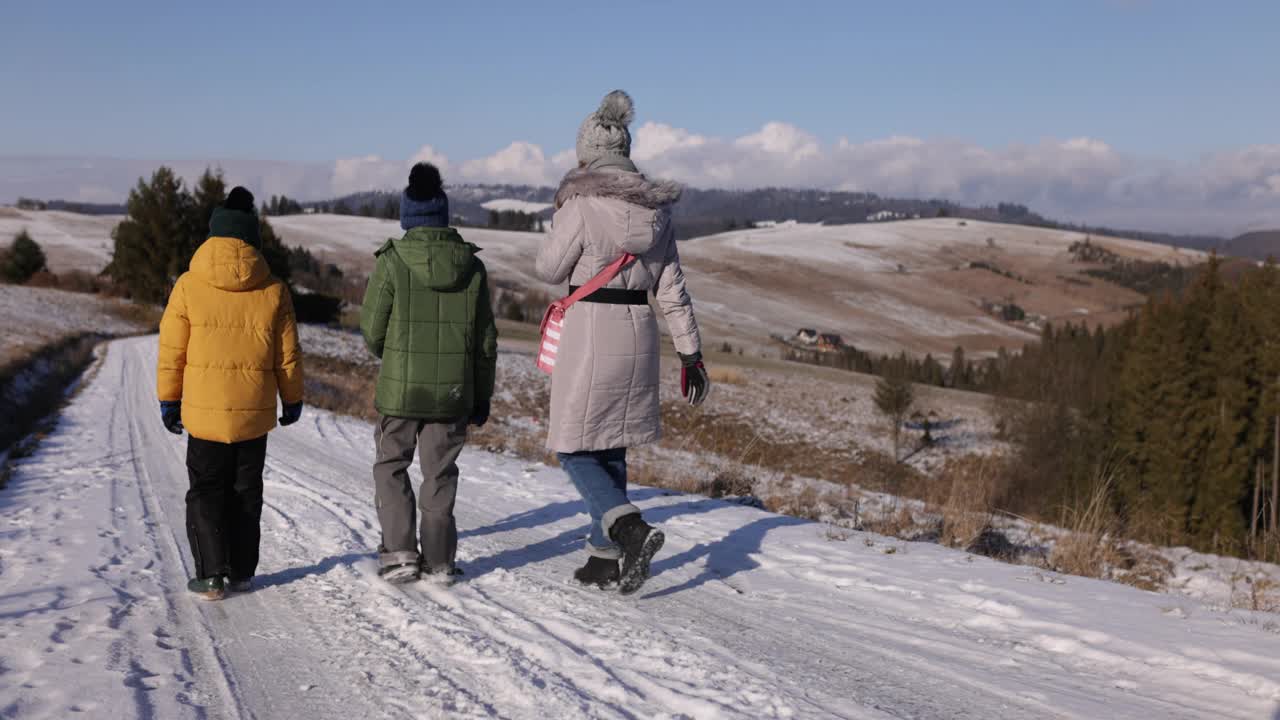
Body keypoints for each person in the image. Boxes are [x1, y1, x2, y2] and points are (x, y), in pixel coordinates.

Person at [536, 90, 711, 595]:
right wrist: (690, 354)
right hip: (639, 330)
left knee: (571, 445)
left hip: (590, 329)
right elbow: (673, 292)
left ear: (585, 155)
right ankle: (604, 557)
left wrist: (561, 223)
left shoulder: (584, 205)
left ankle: (629, 529)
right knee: (609, 442)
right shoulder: (657, 214)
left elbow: (549, 269)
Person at [157, 186, 304, 601]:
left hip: (203, 415)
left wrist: (169, 399)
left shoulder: (188, 284)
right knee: (245, 491)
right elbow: (287, 353)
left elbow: (172, 349)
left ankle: (210, 575)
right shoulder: (274, 289)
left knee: (205, 489)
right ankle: (240, 570)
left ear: (214, 233)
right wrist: (291, 399)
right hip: (253, 414)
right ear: (252, 236)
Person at [360, 162, 498, 584]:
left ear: (407, 215)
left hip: (401, 391)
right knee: (440, 472)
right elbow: (486, 342)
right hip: (453, 394)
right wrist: (481, 396)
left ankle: (400, 553)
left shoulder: (393, 260)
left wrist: (397, 354)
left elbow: (371, 330)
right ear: (443, 215)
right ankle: (439, 560)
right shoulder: (472, 268)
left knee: (391, 465)